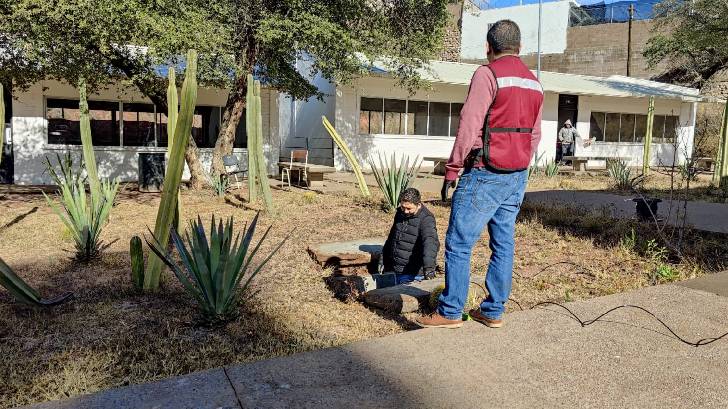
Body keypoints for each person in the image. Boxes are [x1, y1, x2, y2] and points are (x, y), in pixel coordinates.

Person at [416, 20, 543, 329]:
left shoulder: (487, 74)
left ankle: (449, 312)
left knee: (459, 242)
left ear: (488, 48)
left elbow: (469, 125)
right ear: (520, 48)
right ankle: (493, 309)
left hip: (484, 171)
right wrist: (519, 162)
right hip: (517, 174)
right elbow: (536, 135)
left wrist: (452, 169)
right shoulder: (533, 82)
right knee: (503, 242)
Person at [381, 188, 439, 284]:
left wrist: (429, 268)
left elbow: (430, 242)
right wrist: (383, 258)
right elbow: (392, 237)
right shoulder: (400, 213)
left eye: (409, 208)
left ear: (418, 205)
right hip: (395, 268)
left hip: (412, 273)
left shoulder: (426, 219)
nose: (406, 211)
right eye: (403, 207)